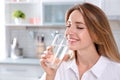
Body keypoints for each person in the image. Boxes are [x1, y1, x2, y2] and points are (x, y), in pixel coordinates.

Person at [40, 2, 120, 80]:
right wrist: (50, 76)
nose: (68, 32)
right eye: (68, 25)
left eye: (79, 27)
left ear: (97, 35)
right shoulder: (58, 66)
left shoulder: (115, 71)